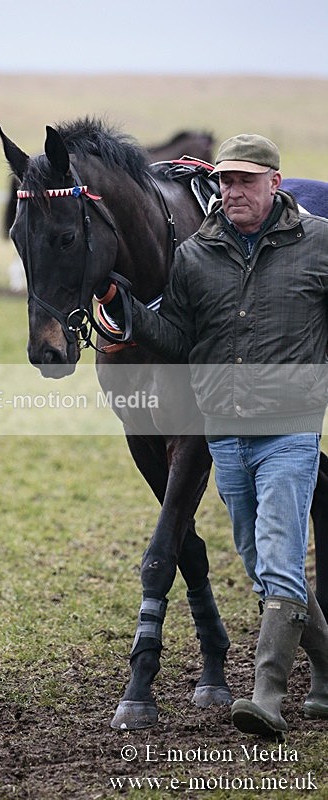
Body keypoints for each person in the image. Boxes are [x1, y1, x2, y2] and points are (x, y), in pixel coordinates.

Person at [96, 133, 328, 738]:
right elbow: (175, 340)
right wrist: (125, 309)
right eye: (225, 182)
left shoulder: (321, 246)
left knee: (278, 559)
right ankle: (327, 675)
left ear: (275, 184)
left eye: (247, 182)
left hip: (289, 431)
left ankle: (266, 697)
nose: (233, 193)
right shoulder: (197, 256)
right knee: (260, 562)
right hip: (226, 436)